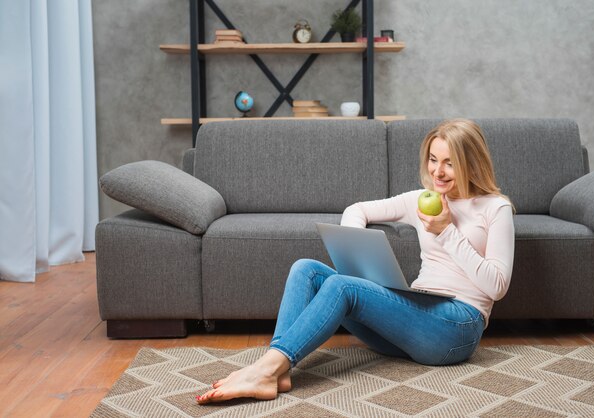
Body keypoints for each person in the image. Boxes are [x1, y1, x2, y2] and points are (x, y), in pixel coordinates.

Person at [196, 118, 515, 404]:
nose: (437, 171)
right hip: (412, 320)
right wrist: (357, 247)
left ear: (472, 165)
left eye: (449, 163)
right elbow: (358, 209)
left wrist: (446, 231)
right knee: (306, 269)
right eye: (433, 160)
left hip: (457, 328)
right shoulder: (421, 199)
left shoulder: (494, 208)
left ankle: (264, 370)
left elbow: (497, 286)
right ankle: (276, 371)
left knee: (341, 287)